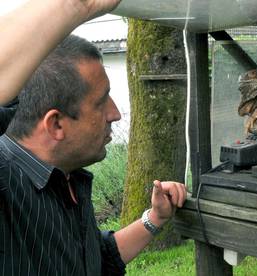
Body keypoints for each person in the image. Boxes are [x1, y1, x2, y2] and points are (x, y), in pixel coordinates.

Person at [0, 1, 187, 276]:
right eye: (101, 102)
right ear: (56, 124)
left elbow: (94, 258)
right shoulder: (5, 183)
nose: (115, 114)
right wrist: (76, 6)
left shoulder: (65, 176)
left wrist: (155, 218)